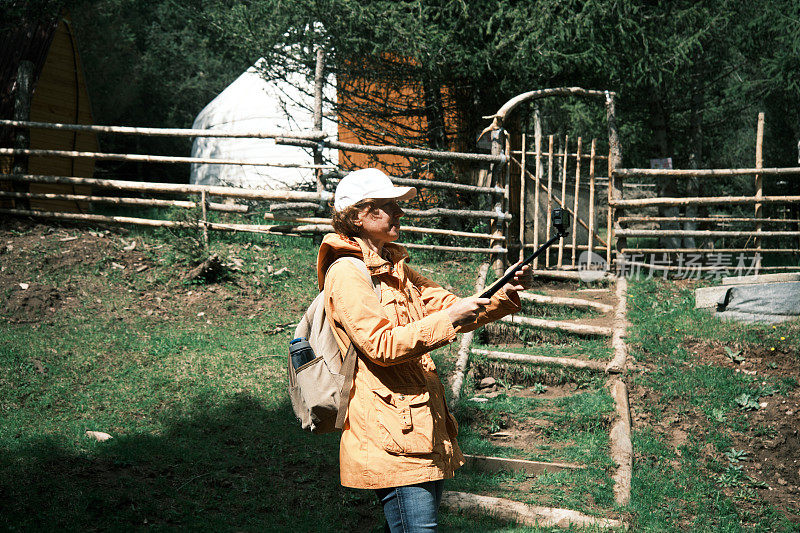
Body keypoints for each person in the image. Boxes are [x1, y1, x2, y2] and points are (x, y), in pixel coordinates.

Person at [318, 168, 531, 532]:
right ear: (358, 215)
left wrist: (503, 293)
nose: (400, 214)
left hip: (415, 428)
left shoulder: (395, 268)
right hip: (390, 434)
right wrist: (449, 317)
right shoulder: (348, 273)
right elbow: (380, 345)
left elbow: (450, 306)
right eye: (388, 207)